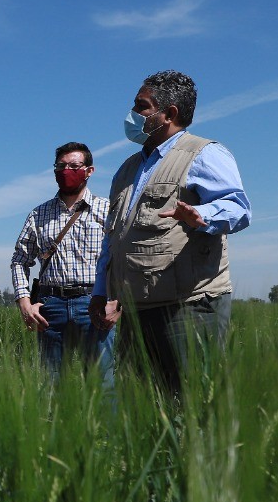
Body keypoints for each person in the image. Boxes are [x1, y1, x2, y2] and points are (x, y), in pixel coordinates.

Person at [90, 70, 251, 395]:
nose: (133, 115)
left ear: (169, 114)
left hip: (188, 309)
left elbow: (238, 209)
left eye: (142, 106)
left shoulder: (204, 153)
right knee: (142, 408)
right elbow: (114, 237)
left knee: (190, 409)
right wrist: (100, 291)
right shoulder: (127, 169)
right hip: (136, 311)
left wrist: (202, 215)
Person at [10, 142, 113, 380]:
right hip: (50, 307)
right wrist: (24, 302)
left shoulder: (107, 209)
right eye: (61, 166)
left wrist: (116, 301)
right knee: (51, 384)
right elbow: (19, 260)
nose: (67, 171)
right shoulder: (39, 214)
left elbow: (121, 259)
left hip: (94, 304)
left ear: (89, 170)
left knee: (101, 383)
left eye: (75, 165)